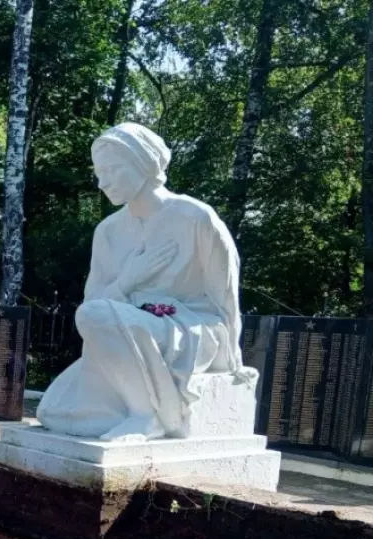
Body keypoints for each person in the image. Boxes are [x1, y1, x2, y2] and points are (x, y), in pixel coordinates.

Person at [37, 122, 256, 442]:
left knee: (97, 317)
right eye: (99, 172)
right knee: (54, 411)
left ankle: (149, 415)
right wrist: (129, 279)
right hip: (127, 330)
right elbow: (93, 306)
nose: (102, 182)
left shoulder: (196, 217)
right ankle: (133, 405)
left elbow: (225, 298)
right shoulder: (108, 231)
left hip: (192, 329)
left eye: (112, 169)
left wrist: (232, 361)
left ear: (144, 162)